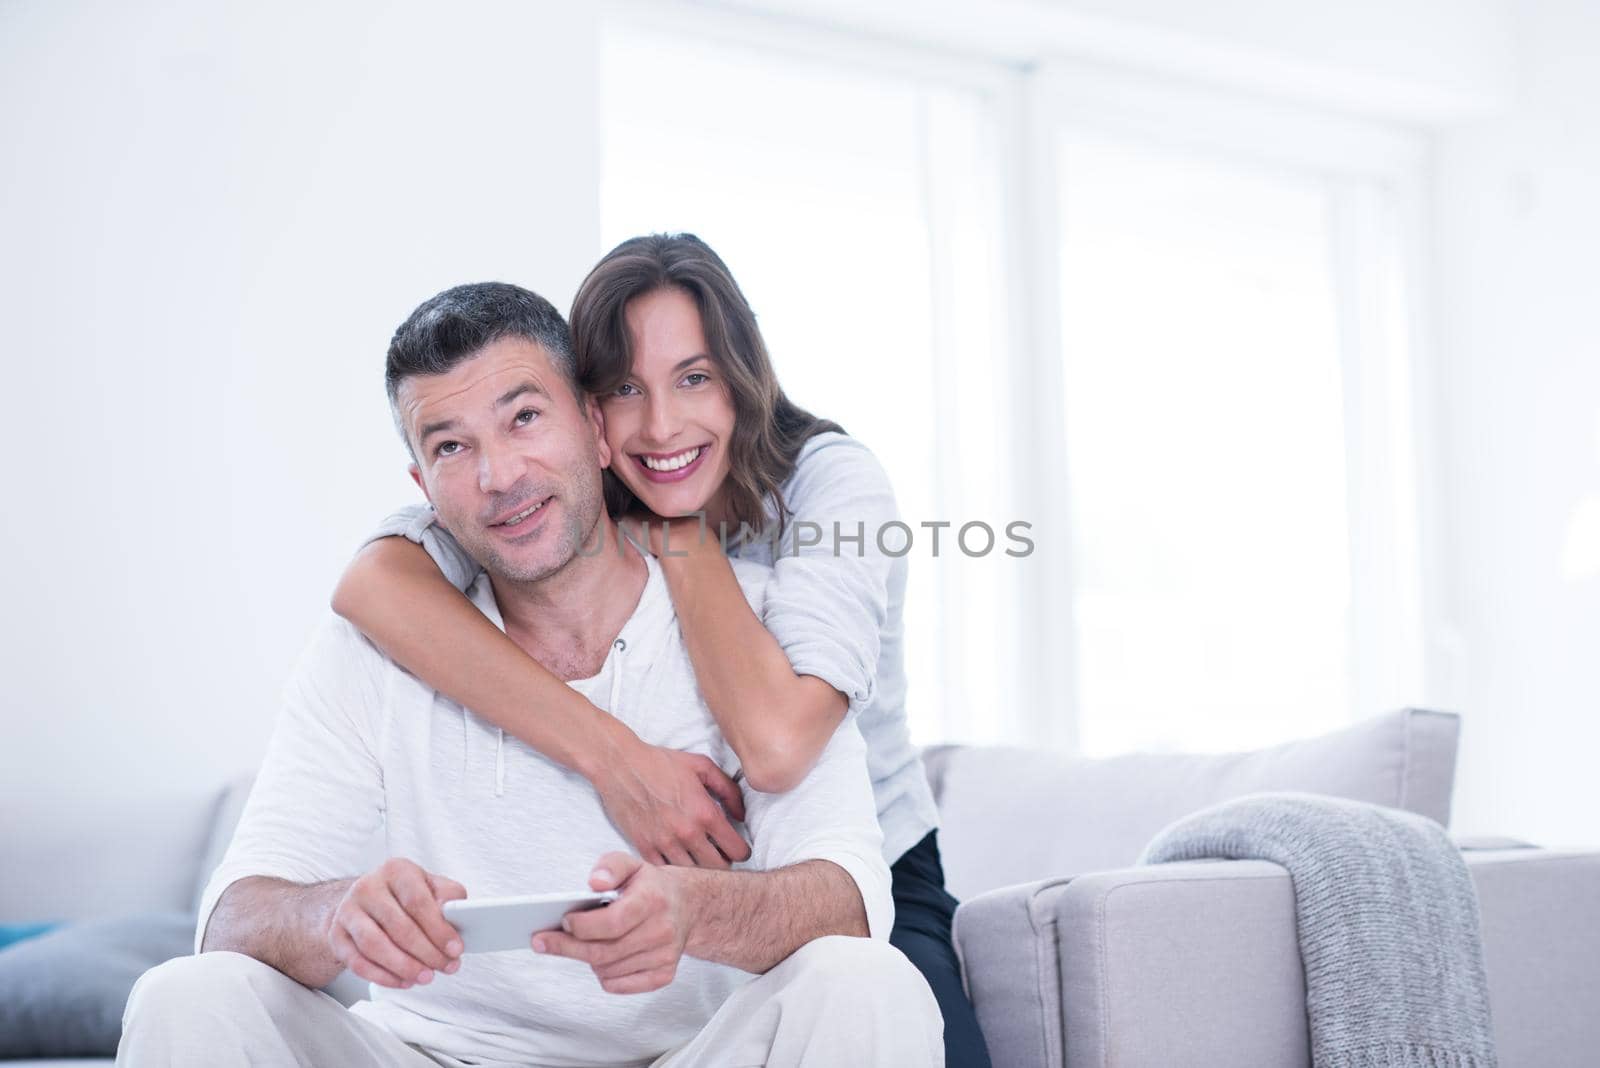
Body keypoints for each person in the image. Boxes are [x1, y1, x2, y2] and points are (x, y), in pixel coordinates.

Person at [117, 283, 943, 1067]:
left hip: (692, 1052)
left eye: (523, 419)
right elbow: (232, 916)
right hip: (431, 1053)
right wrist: (334, 914)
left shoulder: (753, 619)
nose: (499, 475)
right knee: (187, 995)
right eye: (451, 446)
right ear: (422, 487)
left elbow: (847, 902)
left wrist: (697, 912)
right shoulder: (372, 641)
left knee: (870, 984)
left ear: (593, 427)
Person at [333, 234, 992, 1067]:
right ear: (589, 412)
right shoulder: (565, 493)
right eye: (624, 389)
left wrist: (684, 543)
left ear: (741, 378)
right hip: (675, 877)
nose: (662, 425)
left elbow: (780, 745)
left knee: (892, 1012)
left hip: (868, 868)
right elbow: (373, 585)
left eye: (695, 378)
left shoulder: (829, 485)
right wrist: (617, 760)